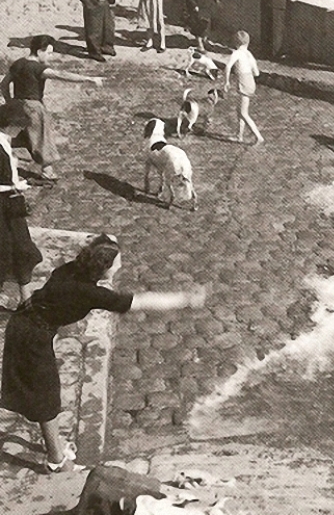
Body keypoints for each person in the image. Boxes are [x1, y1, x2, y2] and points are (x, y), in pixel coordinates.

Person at [0, 234, 205, 472]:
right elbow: (140, 302)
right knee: (46, 396)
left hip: (27, 324)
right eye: (117, 263)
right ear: (103, 267)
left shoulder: (72, 269)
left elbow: (58, 297)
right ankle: (56, 460)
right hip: (31, 337)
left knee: (42, 390)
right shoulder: (90, 293)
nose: (120, 266)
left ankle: (54, 448)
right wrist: (186, 299)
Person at [0, 35, 103, 181]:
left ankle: (9, 165)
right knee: (42, 139)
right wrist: (89, 79)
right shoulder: (38, 68)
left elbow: (3, 85)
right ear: (39, 51)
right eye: (48, 52)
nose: (50, 56)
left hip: (17, 106)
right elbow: (61, 75)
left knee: (19, 138)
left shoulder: (18, 64)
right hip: (34, 108)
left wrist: (10, 102)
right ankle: (47, 172)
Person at [0, 101, 42, 308]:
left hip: (12, 203)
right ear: (9, 124)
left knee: (22, 248)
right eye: (19, 125)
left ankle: (26, 299)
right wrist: (13, 188)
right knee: (5, 250)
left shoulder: (6, 142)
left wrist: (17, 184)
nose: (21, 129)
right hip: (4, 204)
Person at [224, 30, 264, 145]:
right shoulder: (249, 54)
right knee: (240, 110)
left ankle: (258, 136)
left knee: (243, 113)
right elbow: (256, 73)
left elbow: (227, 67)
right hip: (251, 82)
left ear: (235, 43)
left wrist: (226, 82)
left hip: (244, 83)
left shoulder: (236, 53)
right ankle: (239, 135)